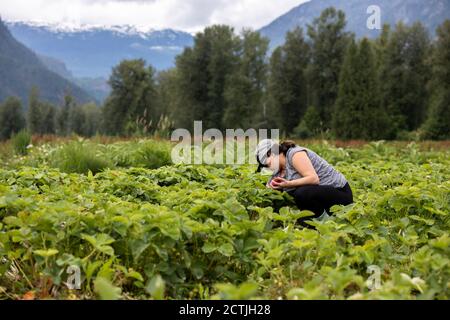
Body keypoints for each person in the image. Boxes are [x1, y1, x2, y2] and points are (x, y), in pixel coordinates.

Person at [255, 139, 353, 223]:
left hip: (340, 194)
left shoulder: (295, 154)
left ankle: (327, 223)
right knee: (301, 221)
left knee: (302, 193)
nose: (267, 168)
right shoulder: (277, 171)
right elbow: (269, 190)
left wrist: (288, 184)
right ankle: (318, 220)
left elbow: (313, 179)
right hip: (320, 198)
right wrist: (270, 187)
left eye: (266, 165)